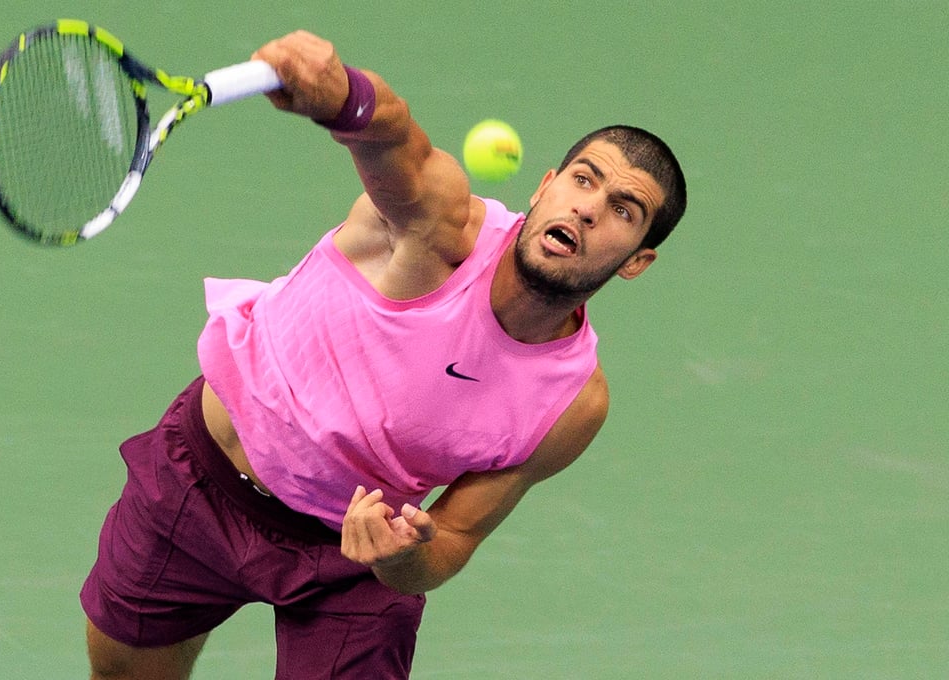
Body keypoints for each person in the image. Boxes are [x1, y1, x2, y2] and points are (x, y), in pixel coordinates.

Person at [80, 30, 687, 680]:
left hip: (354, 561)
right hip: (203, 479)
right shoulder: (438, 228)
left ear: (637, 261)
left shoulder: (573, 403)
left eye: (623, 210)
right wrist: (343, 95)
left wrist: (401, 557)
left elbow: (454, 536)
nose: (589, 208)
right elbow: (396, 142)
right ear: (544, 187)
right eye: (583, 180)